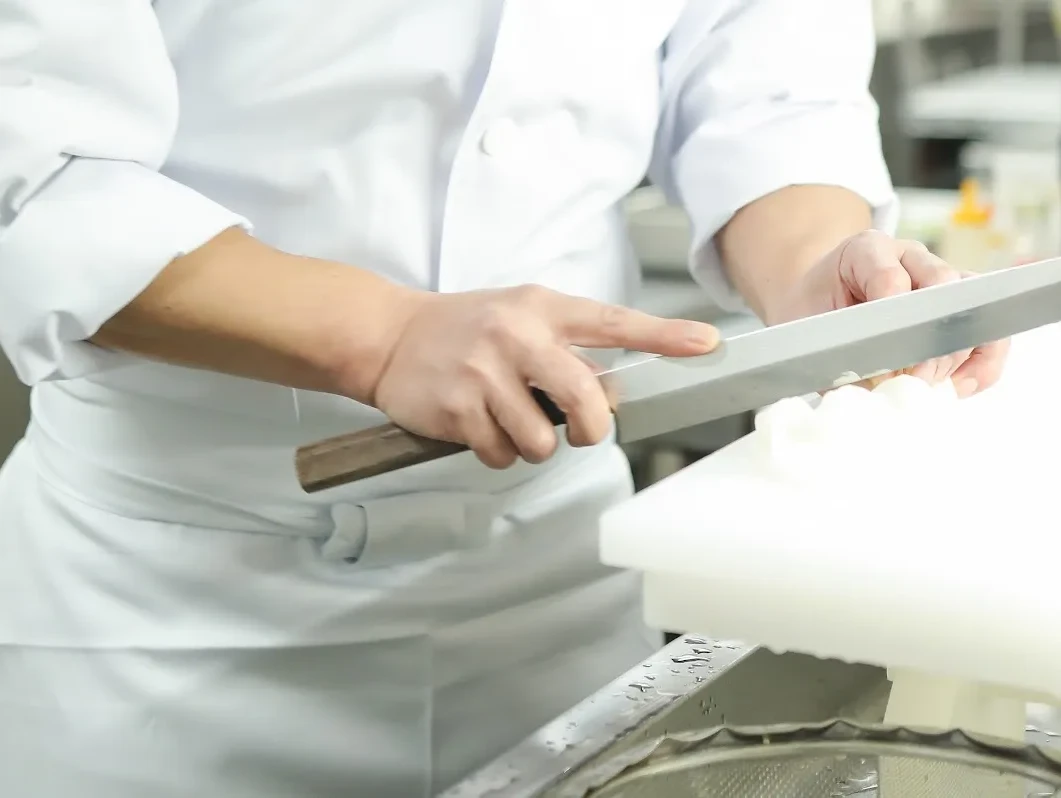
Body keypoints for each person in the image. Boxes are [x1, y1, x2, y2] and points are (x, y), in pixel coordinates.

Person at [0, 1, 1009, 796]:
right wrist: (379, 335)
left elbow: (763, 93)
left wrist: (817, 270)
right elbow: (36, 172)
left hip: (563, 593)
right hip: (161, 622)